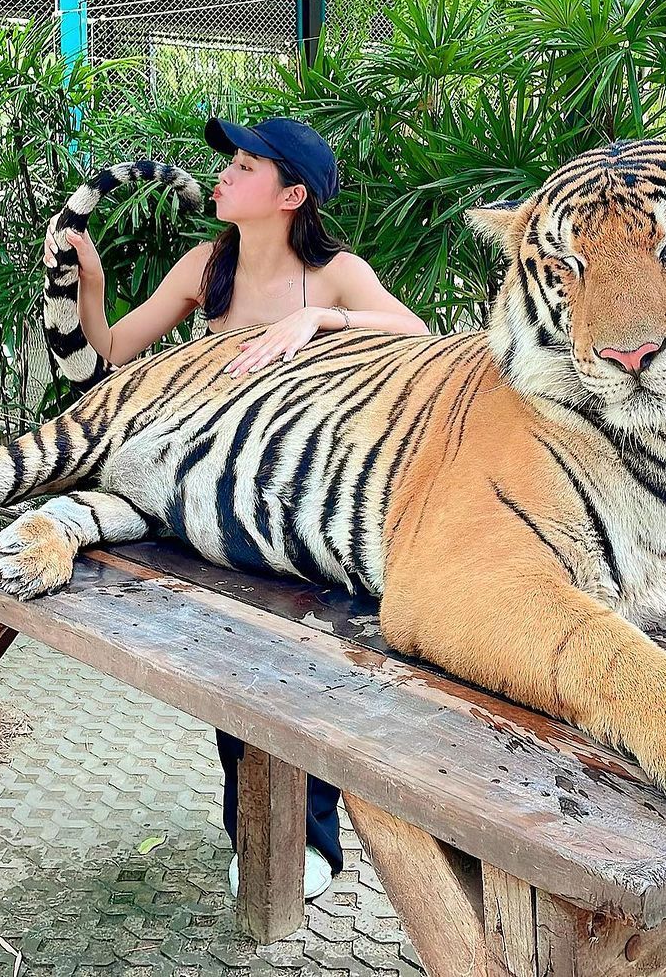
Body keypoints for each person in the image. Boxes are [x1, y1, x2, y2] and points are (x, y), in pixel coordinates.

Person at [44, 116, 429, 900]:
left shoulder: (336, 274)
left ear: (291, 195)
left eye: (246, 166)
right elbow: (114, 352)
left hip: (315, 506)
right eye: (231, 163)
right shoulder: (203, 267)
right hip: (219, 504)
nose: (224, 175)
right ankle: (257, 835)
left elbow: (415, 332)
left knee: (312, 670)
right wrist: (90, 283)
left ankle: (315, 835)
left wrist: (319, 318)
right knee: (236, 671)